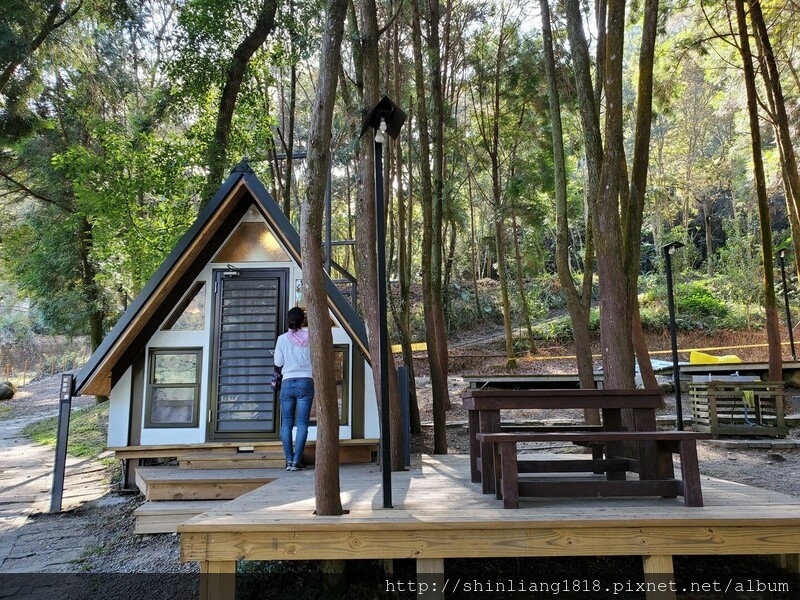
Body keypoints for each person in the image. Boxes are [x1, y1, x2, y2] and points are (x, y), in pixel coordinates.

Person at [273, 306, 314, 471]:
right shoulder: (310, 337)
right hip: (305, 380)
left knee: (287, 423)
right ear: (302, 320)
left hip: (288, 382)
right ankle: (297, 460)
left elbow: (278, 362)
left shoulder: (282, 339)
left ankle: (289, 460)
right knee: (303, 423)